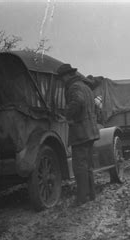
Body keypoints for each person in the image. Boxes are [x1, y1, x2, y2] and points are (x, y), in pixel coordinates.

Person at [57, 63, 100, 206]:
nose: (62, 81)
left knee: (79, 167)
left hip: (81, 132)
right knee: (87, 165)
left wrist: (66, 114)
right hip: (90, 131)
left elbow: (78, 101)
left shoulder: (74, 87)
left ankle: (81, 198)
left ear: (67, 75)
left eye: (62, 78)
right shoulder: (85, 86)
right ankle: (91, 194)